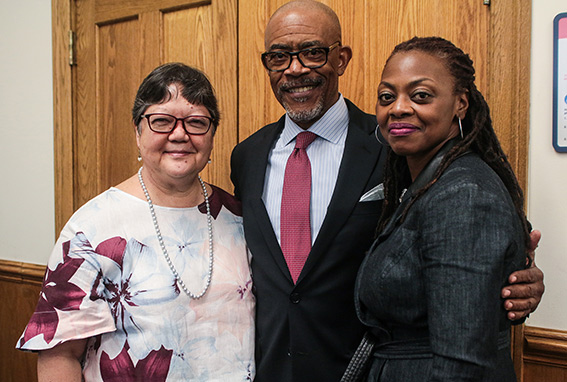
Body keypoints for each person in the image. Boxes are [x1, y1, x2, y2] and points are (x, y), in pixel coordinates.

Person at [230, 1, 544, 382]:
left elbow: (483, 246)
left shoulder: (394, 148)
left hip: (366, 369)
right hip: (271, 368)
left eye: (313, 52)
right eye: (279, 57)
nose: (295, 69)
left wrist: (518, 282)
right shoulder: (246, 156)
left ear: (341, 58)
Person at [16, 63, 255, 381]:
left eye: (197, 122)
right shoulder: (92, 228)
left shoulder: (238, 217)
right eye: (161, 121)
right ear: (137, 130)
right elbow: (60, 355)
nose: (180, 134)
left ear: (212, 134)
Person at [354, 36, 531, 381]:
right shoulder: (427, 182)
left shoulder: (464, 194)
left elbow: (463, 365)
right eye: (386, 97)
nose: (398, 108)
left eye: (421, 96)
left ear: (460, 104)